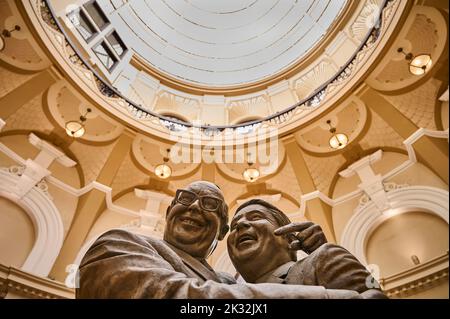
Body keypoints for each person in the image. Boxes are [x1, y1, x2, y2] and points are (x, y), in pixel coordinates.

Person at [77, 181, 369, 299]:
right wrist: (327, 296)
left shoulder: (230, 282)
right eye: (187, 198)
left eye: (209, 205)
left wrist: (316, 259)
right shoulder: (120, 244)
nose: (193, 207)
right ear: (169, 212)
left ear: (220, 231)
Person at [227, 199, 386, 298]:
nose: (240, 225)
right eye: (233, 226)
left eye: (256, 217)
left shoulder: (324, 257)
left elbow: (374, 296)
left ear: (289, 237)